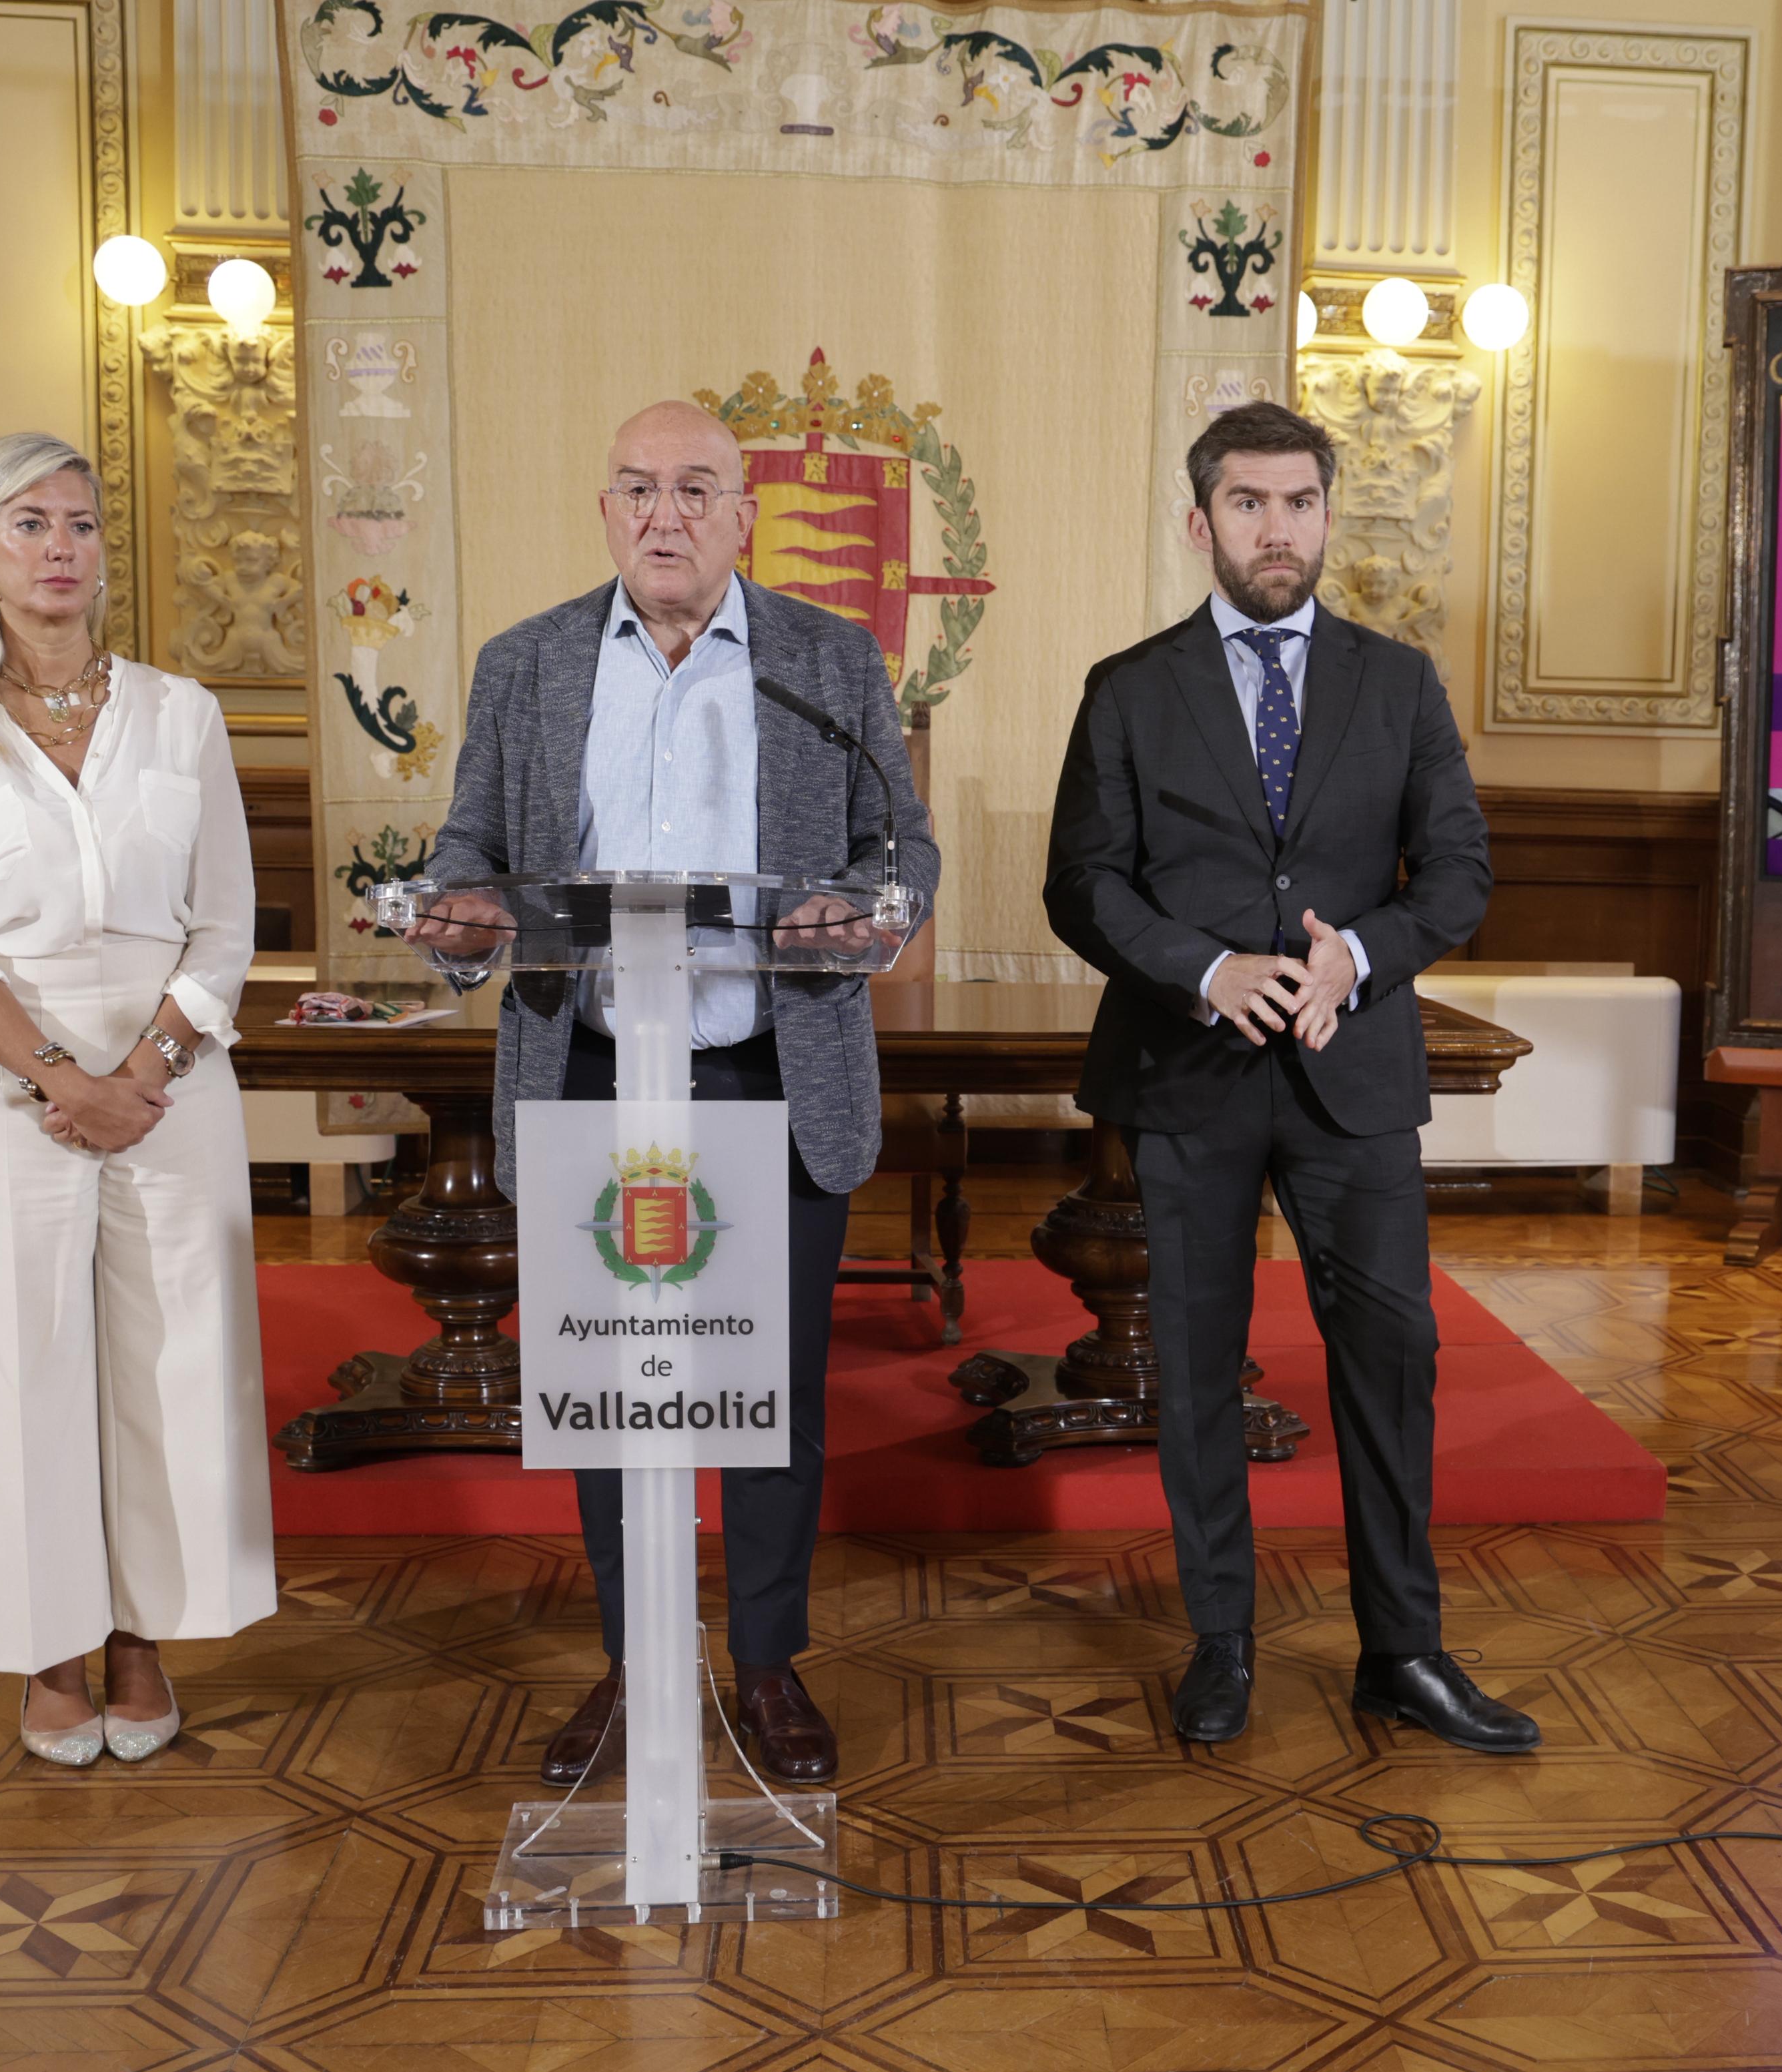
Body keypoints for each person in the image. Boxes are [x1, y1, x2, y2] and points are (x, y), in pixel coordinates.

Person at [408, 400, 937, 1786]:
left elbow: (901, 847)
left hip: (769, 1067)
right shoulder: (526, 663)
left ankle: (764, 1664)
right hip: (592, 1072)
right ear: (604, 512)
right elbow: (471, 842)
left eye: (697, 489)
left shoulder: (829, 658)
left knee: (772, 1387)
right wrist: (463, 909)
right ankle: (636, 1662)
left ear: (744, 516)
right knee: (610, 1386)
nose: (666, 515)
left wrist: (861, 911)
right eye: (638, 488)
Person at [1043, 400, 1534, 1754]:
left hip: (1349, 1071)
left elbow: (1458, 873)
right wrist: (1203, 969)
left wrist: (1355, 958)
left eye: (1300, 503)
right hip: (1186, 1068)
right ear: (1199, 523)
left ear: (1327, 517)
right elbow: (1082, 883)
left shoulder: (1400, 684)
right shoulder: (1128, 689)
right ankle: (1222, 1642)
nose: (1278, 529)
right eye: (1249, 503)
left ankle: (1405, 1651)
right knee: (1196, 1366)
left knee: (1393, 1358)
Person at [0, 432, 274, 1767]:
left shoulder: (181, 713)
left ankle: (146, 1640)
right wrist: (60, 1079)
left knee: (175, 1360)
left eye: (82, 524)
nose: (61, 547)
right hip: (2, 1082)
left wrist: (142, 1072)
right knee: (21, 1363)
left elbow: (226, 922)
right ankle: (50, 1651)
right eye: (30, 523)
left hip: (172, 1078)